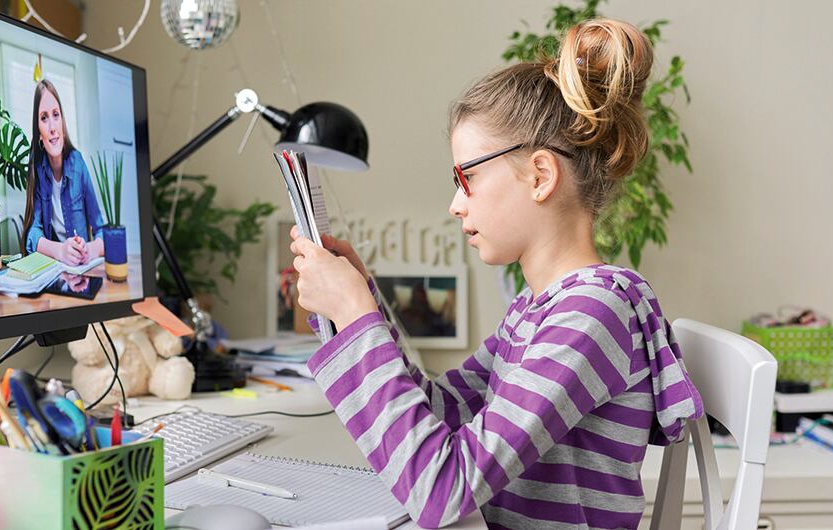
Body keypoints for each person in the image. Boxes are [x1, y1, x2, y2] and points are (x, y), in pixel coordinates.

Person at [289, 18, 704, 529]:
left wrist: (355, 319)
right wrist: (363, 306)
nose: (455, 205)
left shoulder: (591, 315)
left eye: (467, 178)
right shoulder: (540, 308)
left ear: (540, 175)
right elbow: (444, 408)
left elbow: (440, 490)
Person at [21, 79, 105, 266]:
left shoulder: (78, 163)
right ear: (39, 132)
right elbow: (32, 233)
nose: (52, 127)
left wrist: (88, 251)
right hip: (53, 269)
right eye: (44, 118)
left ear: (63, 123)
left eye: (56, 115)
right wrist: (60, 250)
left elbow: (102, 230)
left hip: (81, 270)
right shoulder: (37, 168)